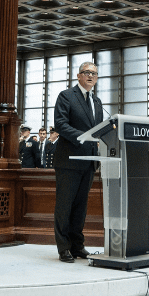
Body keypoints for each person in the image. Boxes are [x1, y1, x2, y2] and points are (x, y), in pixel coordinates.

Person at [52, 61, 103, 263]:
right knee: (65, 206)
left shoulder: (97, 101)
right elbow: (60, 124)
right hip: (69, 160)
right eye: (87, 72)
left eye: (94, 74)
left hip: (89, 161)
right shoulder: (66, 96)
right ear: (79, 75)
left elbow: (99, 128)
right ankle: (63, 247)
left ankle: (77, 245)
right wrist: (85, 136)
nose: (91, 76)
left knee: (81, 208)